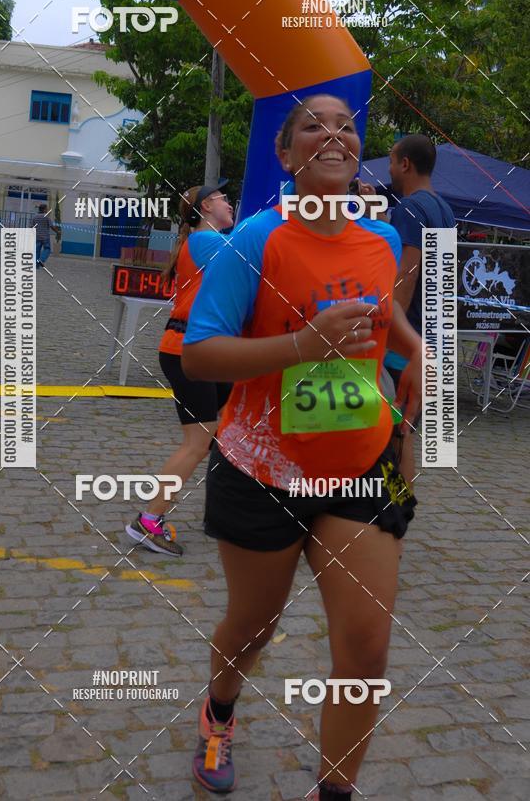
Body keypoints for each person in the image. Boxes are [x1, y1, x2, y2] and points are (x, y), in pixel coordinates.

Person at [182, 95, 422, 798]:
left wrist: (414, 348)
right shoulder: (255, 239)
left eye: (346, 125)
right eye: (313, 125)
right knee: (254, 626)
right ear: (285, 156)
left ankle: (334, 790)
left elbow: (384, 308)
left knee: (367, 647)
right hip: (262, 469)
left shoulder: (381, 242)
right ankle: (219, 706)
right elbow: (200, 354)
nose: (335, 134)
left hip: (360, 466)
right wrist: (301, 346)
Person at [125, 181, 235, 557]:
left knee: (226, 435)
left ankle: (226, 514)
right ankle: (148, 520)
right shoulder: (206, 241)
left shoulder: (209, 241)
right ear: (206, 207)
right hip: (189, 351)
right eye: (222, 197)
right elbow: (257, 255)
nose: (229, 200)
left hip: (211, 351)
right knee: (197, 441)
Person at [383, 135, 456, 483]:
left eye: (392, 162)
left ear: (406, 164)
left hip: (406, 344)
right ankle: (397, 511)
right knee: (404, 434)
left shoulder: (410, 208)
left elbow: (407, 276)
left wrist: (391, 330)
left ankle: (391, 512)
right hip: (433, 339)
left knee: (393, 436)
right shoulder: (444, 209)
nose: (390, 169)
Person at [31, 203, 59, 268]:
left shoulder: (35, 217)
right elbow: (52, 226)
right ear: (44, 209)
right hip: (45, 237)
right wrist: (57, 232)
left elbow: (31, 227)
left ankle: (36, 265)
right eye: (46, 208)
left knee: (37, 251)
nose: (47, 210)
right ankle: (42, 259)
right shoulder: (46, 217)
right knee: (47, 249)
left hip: (37, 236)